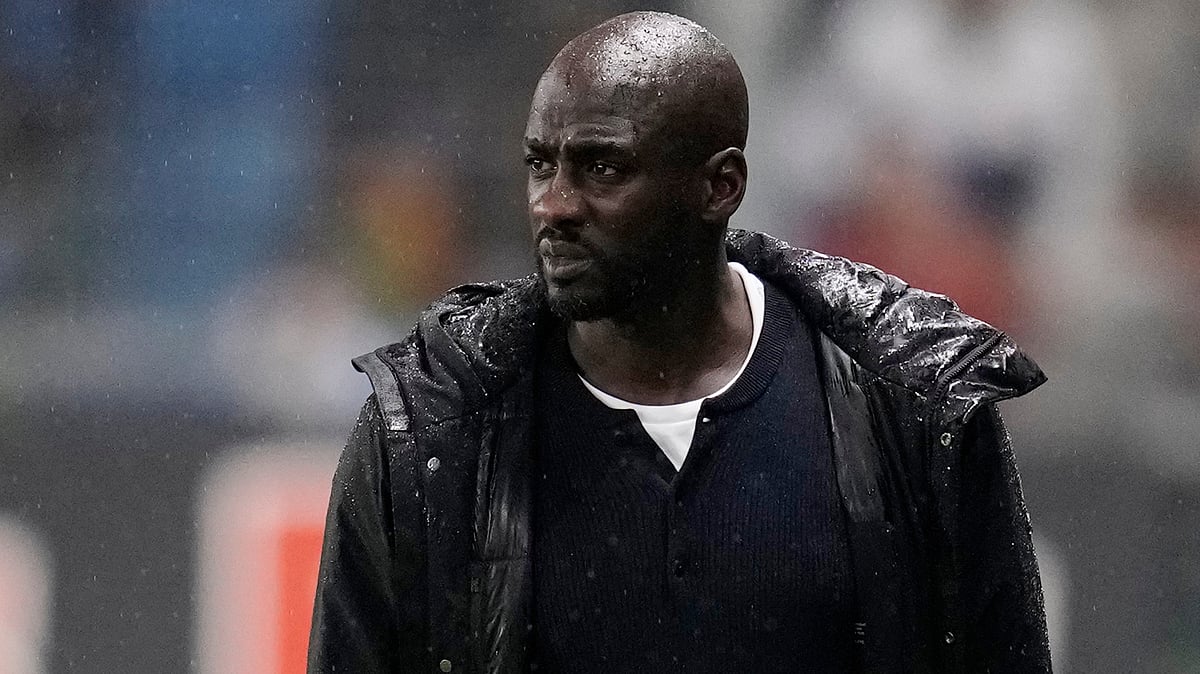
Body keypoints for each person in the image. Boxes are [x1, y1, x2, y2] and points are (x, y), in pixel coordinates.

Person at [308, 11, 1051, 673]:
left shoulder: (916, 412)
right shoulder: (427, 429)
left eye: (603, 167)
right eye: (541, 164)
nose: (554, 205)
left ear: (720, 187)